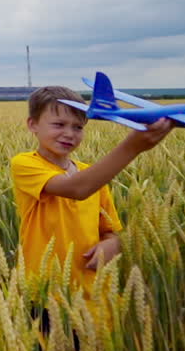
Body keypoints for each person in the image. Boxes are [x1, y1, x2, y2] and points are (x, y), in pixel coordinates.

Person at [11, 85, 171, 292]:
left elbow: (110, 231)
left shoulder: (93, 175)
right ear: (33, 125)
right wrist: (133, 147)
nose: (69, 134)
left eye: (78, 127)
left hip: (93, 291)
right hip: (44, 291)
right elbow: (77, 189)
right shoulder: (25, 164)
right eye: (59, 124)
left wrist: (113, 244)